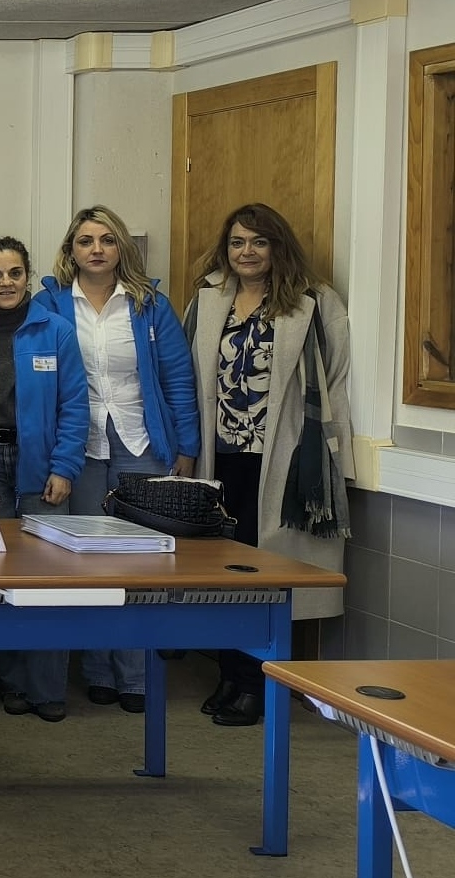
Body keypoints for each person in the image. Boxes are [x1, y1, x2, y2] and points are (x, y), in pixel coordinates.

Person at [187, 202, 353, 727]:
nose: (247, 252)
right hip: (222, 457)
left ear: (278, 246)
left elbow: (338, 380)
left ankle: (258, 683)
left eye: (259, 242)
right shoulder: (210, 298)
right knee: (223, 571)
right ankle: (232, 674)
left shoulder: (314, 301)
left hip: (283, 459)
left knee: (266, 574)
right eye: (238, 242)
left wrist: (336, 457)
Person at [31, 207, 200, 714]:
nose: (97, 249)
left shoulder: (150, 306)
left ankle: (136, 676)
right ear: (72, 251)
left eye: (107, 240)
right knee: (88, 560)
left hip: (141, 442)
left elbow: (178, 381)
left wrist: (186, 449)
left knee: (139, 563)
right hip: (79, 446)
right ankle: (99, 671)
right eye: (86, 241)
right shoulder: (52, 304)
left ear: (121, 247)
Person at [0, 236, 88, 722]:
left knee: (48, 579)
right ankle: (12, 684)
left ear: (27, 276)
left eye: (13, 273)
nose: (5, 282)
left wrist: (64, 467)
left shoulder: (56, 330)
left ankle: (47, 689)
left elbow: (74, 407)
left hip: (41, 463)